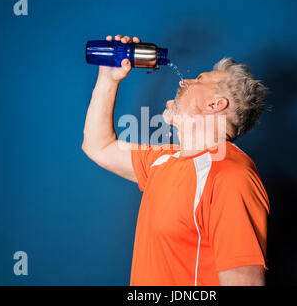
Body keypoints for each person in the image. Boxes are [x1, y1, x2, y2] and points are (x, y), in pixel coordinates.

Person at [82, 34, 269, 286]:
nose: (186, 81)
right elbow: (98, 145)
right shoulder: (164, 159)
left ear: (215, 104)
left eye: (199, 79)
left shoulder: (231, 178)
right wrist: (108, 78)